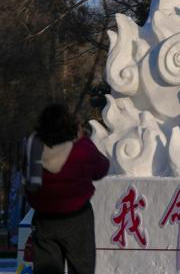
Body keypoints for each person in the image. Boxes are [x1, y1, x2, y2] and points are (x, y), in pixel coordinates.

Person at [24, 103, 110, 274]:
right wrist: (83, 139)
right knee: (81, 267)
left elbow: (27, 179)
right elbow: (101, 168)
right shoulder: (81, 148)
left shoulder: (34, 147)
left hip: (45, 219)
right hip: (77, 218)